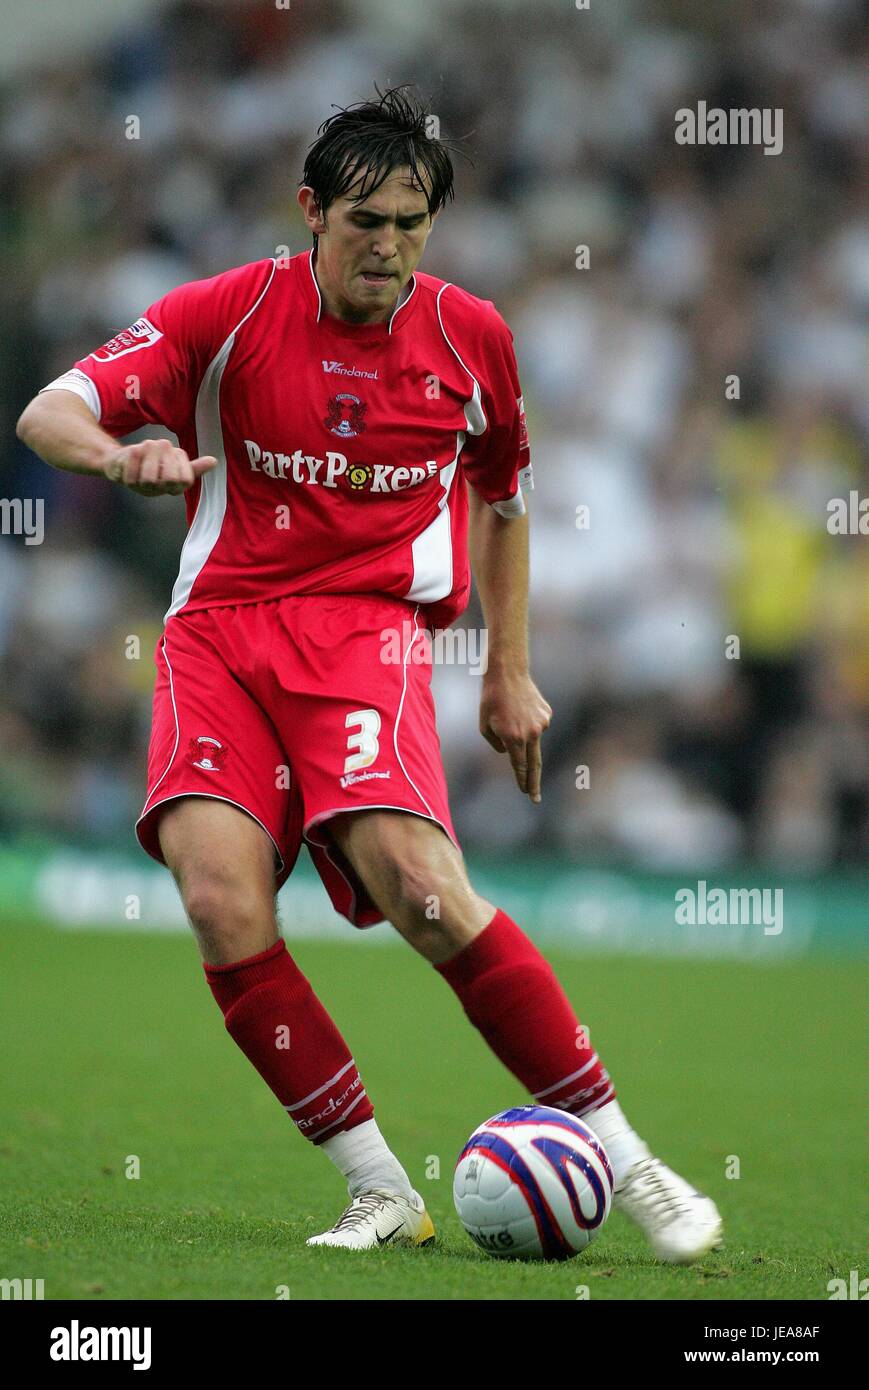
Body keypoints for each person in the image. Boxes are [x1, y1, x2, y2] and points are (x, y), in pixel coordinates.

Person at [17, 86, 722, 1260]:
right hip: (219, 630)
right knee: (216, 897)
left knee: (423, 889)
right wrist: (115, 453)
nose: (386, 244)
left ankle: (626, 1154)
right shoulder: (226, 313)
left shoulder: (470, 339)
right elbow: (51, 409)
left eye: (408, 221)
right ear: (310, 212)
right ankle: (380, 1184)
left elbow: (502, 502)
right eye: (363, 221)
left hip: (364, 634)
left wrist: (509, 671)